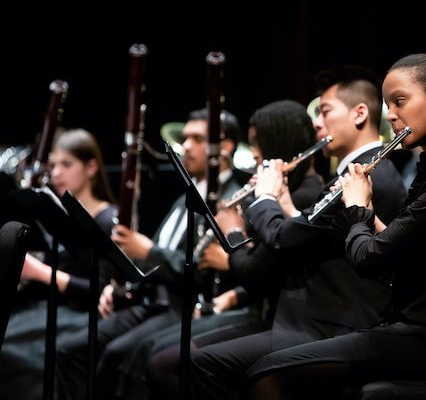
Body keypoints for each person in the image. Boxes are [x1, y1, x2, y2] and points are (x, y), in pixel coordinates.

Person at [237, 53, 426, 399]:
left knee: (269, 374)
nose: (391, 116)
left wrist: (355, 206)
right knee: (272, 369)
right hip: (423, 331)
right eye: (387, 105)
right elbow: (397, 245)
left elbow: (370, 258)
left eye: (399, 102)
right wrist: (354, 209)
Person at [186, 64, 408, 399]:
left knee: (201, 363)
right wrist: (285, 203)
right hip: (312, 319)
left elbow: (280, 238)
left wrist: (264, 196)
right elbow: (314, 230)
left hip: (327, 326)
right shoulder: (358, 170)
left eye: (324, 111)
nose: (317, 122)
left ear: (360, 113)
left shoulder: (366, 174)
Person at [119, 99, 324, 400]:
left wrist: (233, 230)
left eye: (258, 144)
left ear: (277, 144)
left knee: (164, 361)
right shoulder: (285, 192)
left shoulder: (304, 195)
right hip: (251, 306)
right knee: (144, 354)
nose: (254, 154)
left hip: (278, 319)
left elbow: (254, 269)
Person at [55, 108, 246, 400]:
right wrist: (119, 286)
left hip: (182, 304)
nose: (187, 146)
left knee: (119, 356)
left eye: (197, 138)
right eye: (185, 138)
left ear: (226, 146)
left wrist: (149, 251)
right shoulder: (186, 194)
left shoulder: (233, 197)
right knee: (70, 348)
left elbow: (201, 268)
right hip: (152, 299)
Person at [0, 128, 116, 400]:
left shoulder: (108, 218)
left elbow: (98, 290)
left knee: (15, 350)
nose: (56, 173)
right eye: (52, 165)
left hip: (83, 314)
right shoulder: (60, 214)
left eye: (66, 164)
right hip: (54, 307)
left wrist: (39, 272)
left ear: (91, 168)